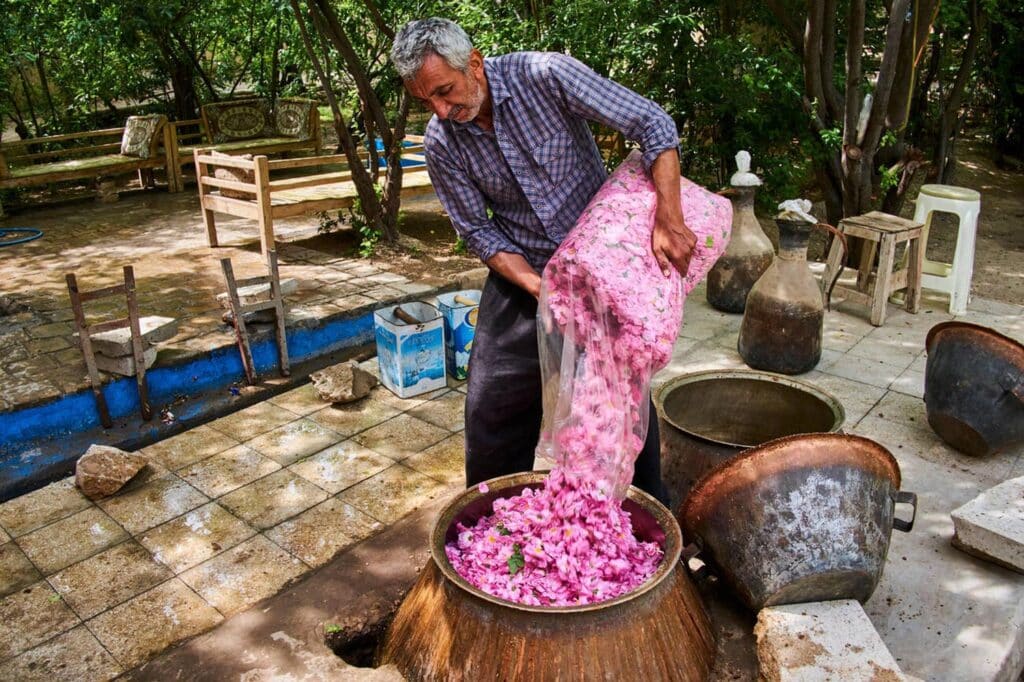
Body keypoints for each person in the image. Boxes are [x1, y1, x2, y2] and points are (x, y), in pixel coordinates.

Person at [390, 18, 695, 503]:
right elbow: (478, 230)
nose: (442, 110)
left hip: (600, 262)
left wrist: (670, 218)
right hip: (523, 270)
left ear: (474, 62)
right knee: (491, 402)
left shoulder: (545, 75)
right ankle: (492, 528)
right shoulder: (441, 142)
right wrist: (542, 288)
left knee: (619, 400)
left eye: (445, 92)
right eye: (428, 101)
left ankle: (646, 522)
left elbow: (653, 124)